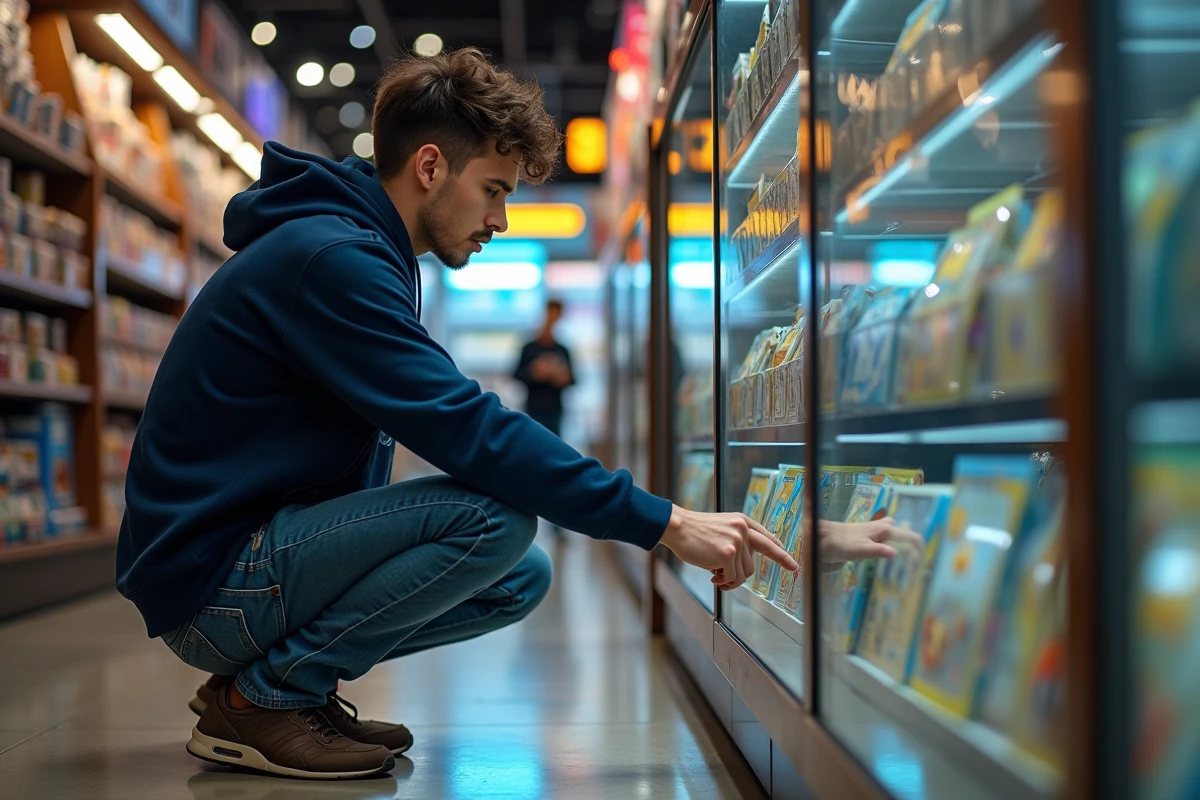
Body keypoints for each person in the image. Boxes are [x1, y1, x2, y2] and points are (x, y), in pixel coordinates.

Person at [115, 47, 907, 782]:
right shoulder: (334, 262)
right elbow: (467, 427)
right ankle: (266, 701)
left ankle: (271, 688)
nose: (500, 219)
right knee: (497, 522)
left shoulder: (353, 250)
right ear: (430, 166)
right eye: (494, 190)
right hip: (214, 583)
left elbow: (454, 420)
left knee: (517, 577)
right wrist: (665, 523)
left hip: (234, 560)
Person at [513, 299, 573, 437]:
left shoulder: (562, 349)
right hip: (534, 407)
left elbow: (572, 379)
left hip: (555, 409)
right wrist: (535, 372)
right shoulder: (529, 348)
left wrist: (560, 377)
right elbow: (516, 374)